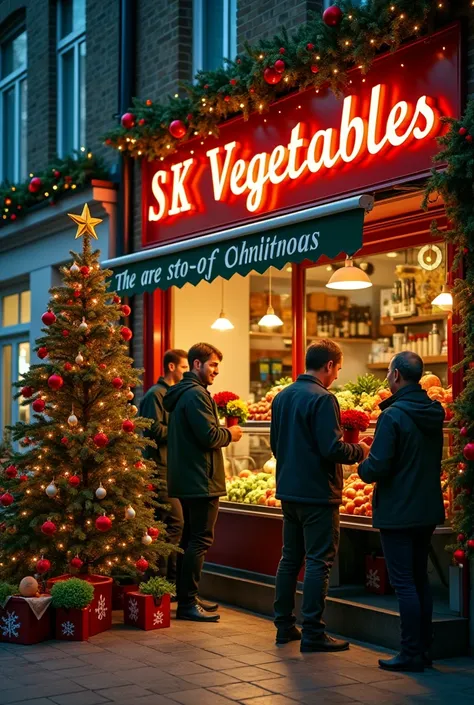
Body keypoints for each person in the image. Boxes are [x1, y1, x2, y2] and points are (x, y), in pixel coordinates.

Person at [271, 340, 370, 652]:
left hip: (288, 492)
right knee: (318, 561)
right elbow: (333, 449)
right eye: (337, 369)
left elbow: (276, 445)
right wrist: (361, 450)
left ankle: (284, 626)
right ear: (328, 365)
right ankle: (313, 632)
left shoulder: (282, 396)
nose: (337, 376)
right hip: (318, 495)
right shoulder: (324, 399)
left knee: (290, 559)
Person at [358, 351, 445, 673]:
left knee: (404, 582)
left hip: (398, 509)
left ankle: (409, 652)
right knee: (420, 579)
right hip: (426, 507)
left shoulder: (393, 416)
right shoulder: (435, 411)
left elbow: (377, 467)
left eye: (388, 375)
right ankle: (424, 650)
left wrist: (363, 461)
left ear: (395, 375)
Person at [164, 342, 243, 621]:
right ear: (197, 364)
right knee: (199, 540)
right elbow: (209, 436)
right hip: (201, 480)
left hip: (190, 478)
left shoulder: (185, 393)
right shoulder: (195, 395)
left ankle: (188, 596)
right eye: (212, 365)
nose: (216, 371)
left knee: (189, 539)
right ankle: (186, 603)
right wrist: (230, 433)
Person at [139, 349, 188, 584]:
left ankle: (170, 584)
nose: (187, 372)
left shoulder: (173, 394)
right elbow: (154, 432)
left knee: (173, 524)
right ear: (171, 367)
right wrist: (185, 429)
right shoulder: (155, 396)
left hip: (173, 469)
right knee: (174, 522)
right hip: (158, 470)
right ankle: (161, 583)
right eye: (184, 368)